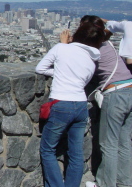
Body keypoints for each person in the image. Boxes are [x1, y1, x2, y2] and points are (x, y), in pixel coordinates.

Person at [35, 22, 104, 187]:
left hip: (60, 104)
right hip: (81, 106)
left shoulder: (61, 48)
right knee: (76, 154)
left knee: (47, 150)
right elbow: (81, 80)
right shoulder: (92, 59)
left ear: (77, 34)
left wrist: (59, 69)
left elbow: (40, 68)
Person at [75, 16, 132, 187]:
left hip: (115, 94)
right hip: (130, 89)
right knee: (124, 143)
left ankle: (105, 184)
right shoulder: (106, 44)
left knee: (109, 144)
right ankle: (124, 182)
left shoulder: (93, 48)